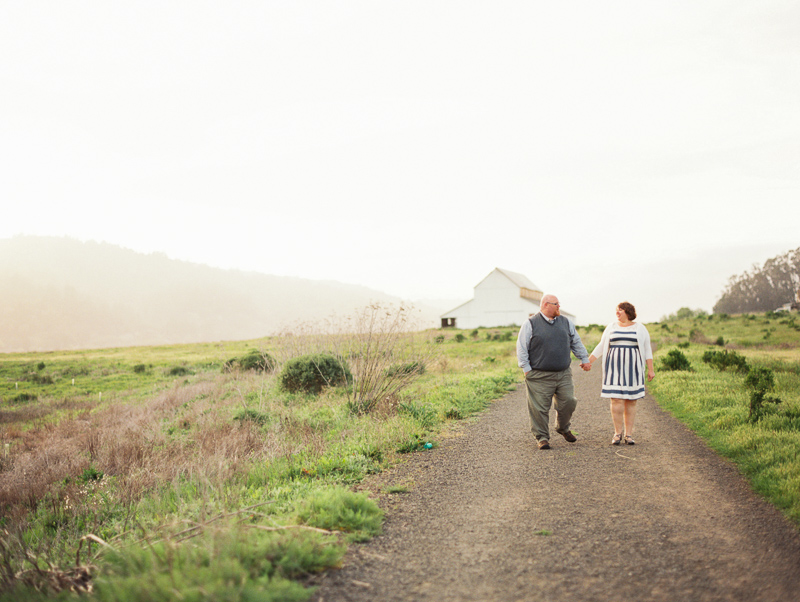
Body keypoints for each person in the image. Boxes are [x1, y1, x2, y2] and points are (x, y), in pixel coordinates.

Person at [516, 294, 592, 450]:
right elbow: (522, 347)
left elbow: (575, 341)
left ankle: (562, 428)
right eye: (556, 304)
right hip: (538, 374)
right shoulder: (530, 323)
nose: (559, 307)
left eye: (559, 304)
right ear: (545, 305)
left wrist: (584, 358)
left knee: (569, 401)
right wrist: (526, 369)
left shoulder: (565, 322)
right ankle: (542, 437)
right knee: (539, 408)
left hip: (563, 373)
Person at [588, 302, 655, 445]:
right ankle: (617, 433)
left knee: (631, 400)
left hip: (633, 368)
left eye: (620, 310)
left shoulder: (640, 328)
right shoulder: (611, 327)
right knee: (616, 400)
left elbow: (647, 349)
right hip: (614, 369)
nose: (617, 312)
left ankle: (628, 435)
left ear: (628, 312)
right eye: (616, 310)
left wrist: (650, 369)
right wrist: (589, 360)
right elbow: (601, 345)